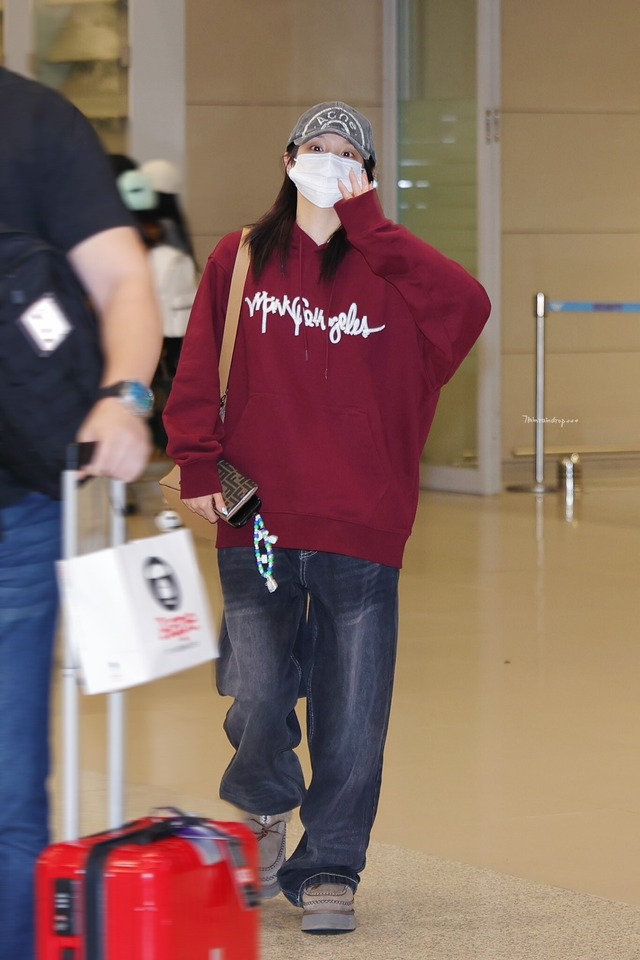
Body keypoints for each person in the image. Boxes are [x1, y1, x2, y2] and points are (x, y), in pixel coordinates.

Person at [163, 101, 491, 935]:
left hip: (362, 521)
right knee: (256, 690)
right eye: (316, 145)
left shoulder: (396, 274)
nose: (330, 158)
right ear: (288, 160)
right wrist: (196, 459)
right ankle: (264, 805)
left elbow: (469, 306)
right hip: (257, 517)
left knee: (353, 714)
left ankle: (331, 866)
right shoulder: (239, 257)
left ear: (367, 178)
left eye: (349, 153)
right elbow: (198, 363)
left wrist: (369, 224)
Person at [0, 66, 163, 960]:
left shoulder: (34, 122)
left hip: (16, 517)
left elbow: (123, 280)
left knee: (6, 794)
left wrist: (124, 396)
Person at [117, 168, 198, 450]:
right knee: (159, 380)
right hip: (166, 326)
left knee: (150, 380)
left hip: (157, 326)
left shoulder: (149, 241)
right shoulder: (169, 238)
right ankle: (155, 432)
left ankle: (151, 432)